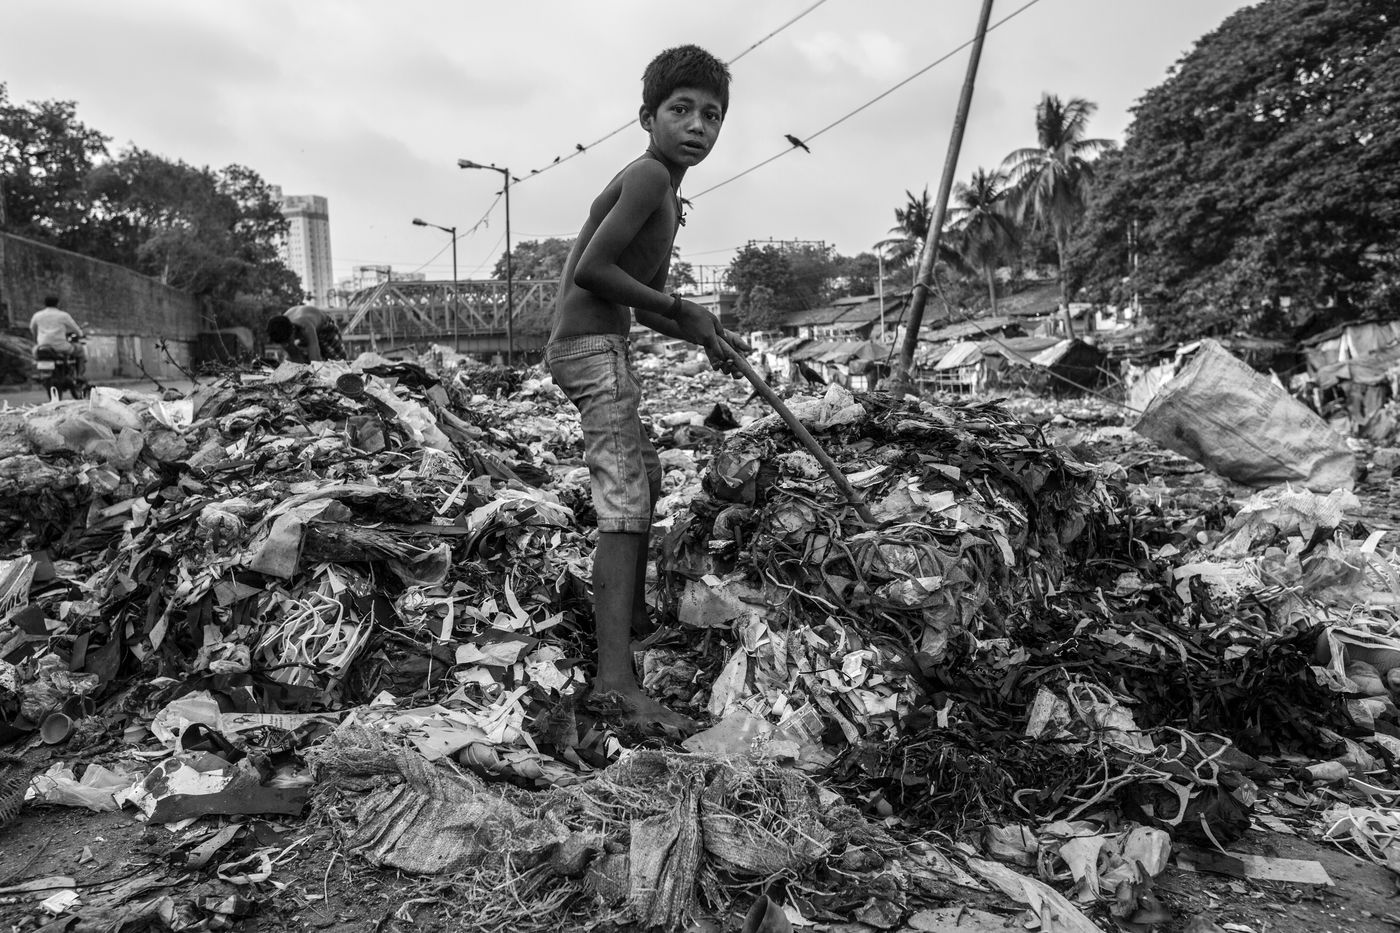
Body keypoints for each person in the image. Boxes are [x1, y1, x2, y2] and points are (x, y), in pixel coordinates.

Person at [545, 44, 750, 736]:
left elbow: (642, 293)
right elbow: (593, 271)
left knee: (649, 475)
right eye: (681, 110)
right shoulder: (648, 177)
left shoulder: (665, 188)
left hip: (603, 344)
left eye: (711, 115)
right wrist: (680, 308)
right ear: (647, 117)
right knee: (626, 499)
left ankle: (631, 623)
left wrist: (703, 330)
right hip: (590, 348)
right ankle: (615, 683)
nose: (697, 125)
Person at [29, 296, 86, 377]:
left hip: (42, 347)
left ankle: (38, 372)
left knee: (34, 353)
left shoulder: (37, 315)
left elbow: (32, 329)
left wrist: (37, 340)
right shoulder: (63, 315)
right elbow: (75, 329)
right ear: (58, 304)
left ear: (44, 304)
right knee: (80, 350)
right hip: (60, 347)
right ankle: (79, 375)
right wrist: (80, 334)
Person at [267, 305, 347, 362]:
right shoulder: (280, 331)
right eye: (283, 343)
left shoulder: (305, 326)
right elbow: (295, 357)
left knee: (339, 362)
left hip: (325, 328)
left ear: (293, 330)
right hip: (301, 331)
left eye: (288, 341)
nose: (286, 345)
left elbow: (315, 361)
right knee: (300, 362)